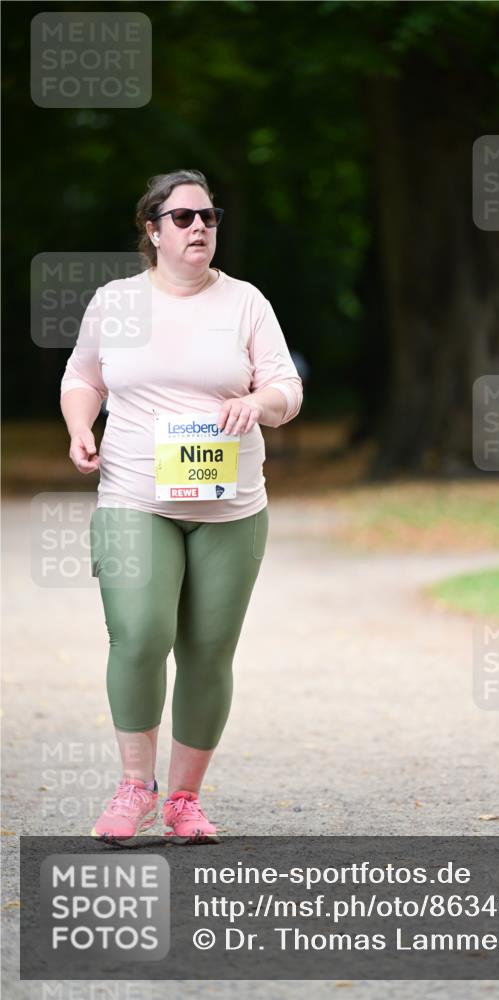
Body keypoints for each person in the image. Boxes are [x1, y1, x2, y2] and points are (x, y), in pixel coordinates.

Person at [60, 169, 303, 844]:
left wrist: (259, 402)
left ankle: (185, 801)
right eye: (184, 217)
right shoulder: (117, 301)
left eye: (209, 216)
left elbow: (285, 385)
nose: (200, 226)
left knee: (207, 652)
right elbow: (84, 375)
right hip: (137, 495)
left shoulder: (245, 303)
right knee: (139, 635)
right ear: (152, 230)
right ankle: (136, 785)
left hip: (230, 506)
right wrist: (82, 427)